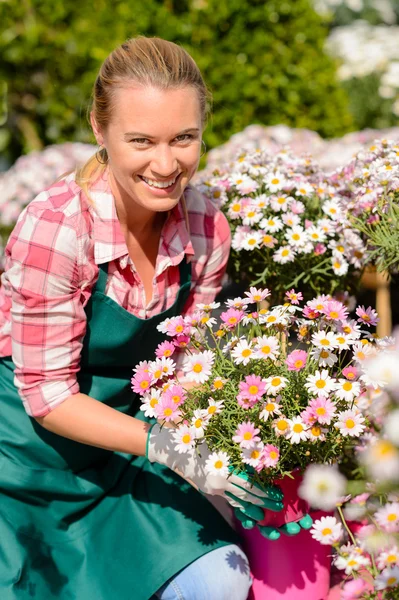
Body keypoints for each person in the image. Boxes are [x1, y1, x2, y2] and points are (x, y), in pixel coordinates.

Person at [0, 37, 285, 600]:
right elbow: (47, 396)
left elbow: (186, 366)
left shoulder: (205, 227)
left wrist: (242, 434)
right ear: (99, 130)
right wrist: (172, 451)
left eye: (184, 138)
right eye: (141, 141)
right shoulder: (58, 228)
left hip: (130, 460)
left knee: (221, 580)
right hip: (25, 465)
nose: (165, 163)